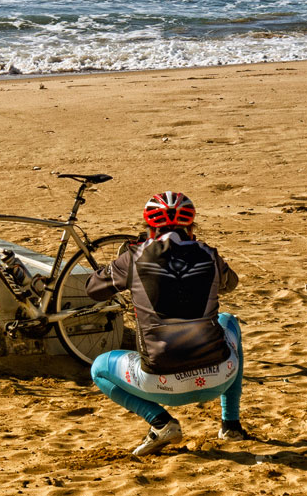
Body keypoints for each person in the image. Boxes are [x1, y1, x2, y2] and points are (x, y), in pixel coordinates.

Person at [86, 191, 247, 455]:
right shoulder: (208, 254)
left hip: (159, 384)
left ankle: (160, 422)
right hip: (219, 376)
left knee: (99, 368)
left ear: (149, 228)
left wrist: (128, 260)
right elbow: (231, 284)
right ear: (191, 226)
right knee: (229, 321)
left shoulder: (134, 257)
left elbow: (93, 289)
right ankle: (231, 424)